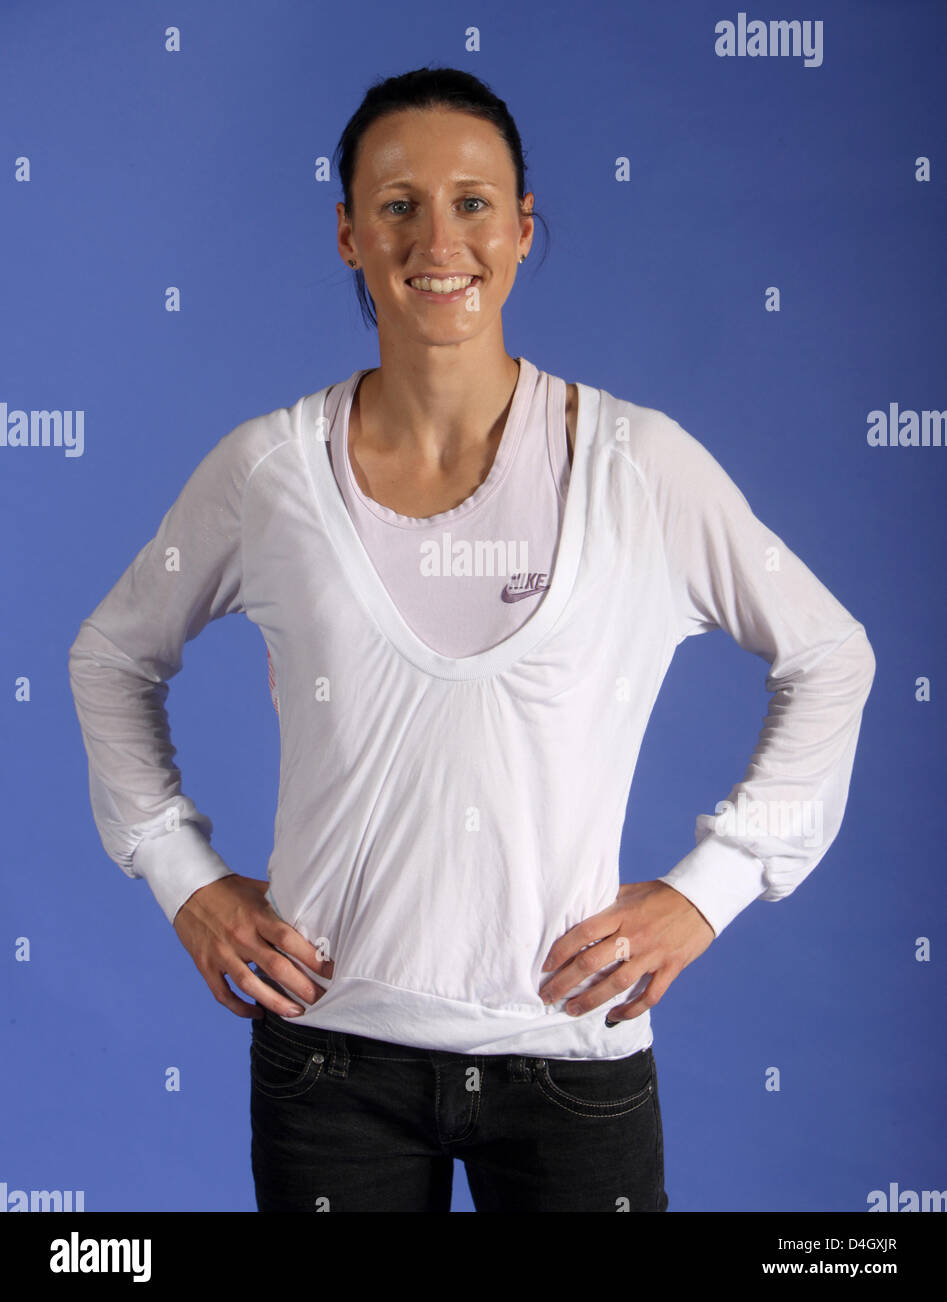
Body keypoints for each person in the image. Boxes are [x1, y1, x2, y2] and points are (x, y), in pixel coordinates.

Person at [68, 65, 876, 1213]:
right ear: (347, 234)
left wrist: (712, 885)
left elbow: (829, 655)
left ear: (523, 230)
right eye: (396, 204)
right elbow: (110, 656)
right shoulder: (269, 472)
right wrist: (180, 876)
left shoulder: (636, 466)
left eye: (473, 200)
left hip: (571, 1062)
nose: (436, 238)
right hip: (330, 1061)